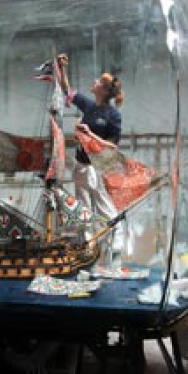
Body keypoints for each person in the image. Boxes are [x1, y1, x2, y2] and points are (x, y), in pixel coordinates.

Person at [56, 54, 124, 237]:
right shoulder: (88, 105)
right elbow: (67, 90)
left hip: (99, 166)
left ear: (104, 90)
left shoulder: (112, 115)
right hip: (82, 164)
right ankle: (87, 243)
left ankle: (112, 241)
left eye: (99, 81)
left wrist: (90, 134)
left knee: (104, 207)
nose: (94, 81)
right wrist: (61, 68)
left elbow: (113, 146)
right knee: (83, 209)